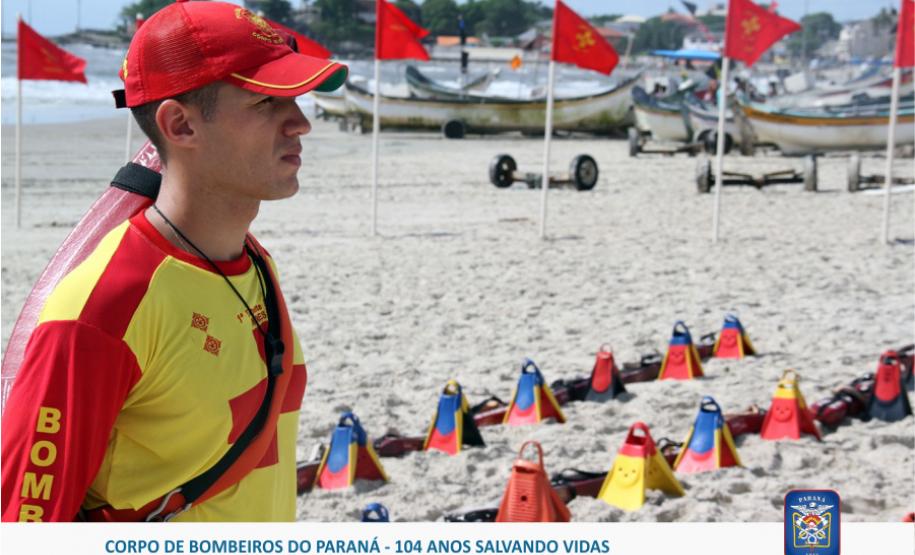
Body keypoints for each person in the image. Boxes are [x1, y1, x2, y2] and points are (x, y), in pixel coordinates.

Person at [1, 0, 347, 522]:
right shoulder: (102, 309)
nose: (300, 123)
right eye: (265, 103)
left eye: (295, 100)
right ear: (180, 126)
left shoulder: (254, 263)